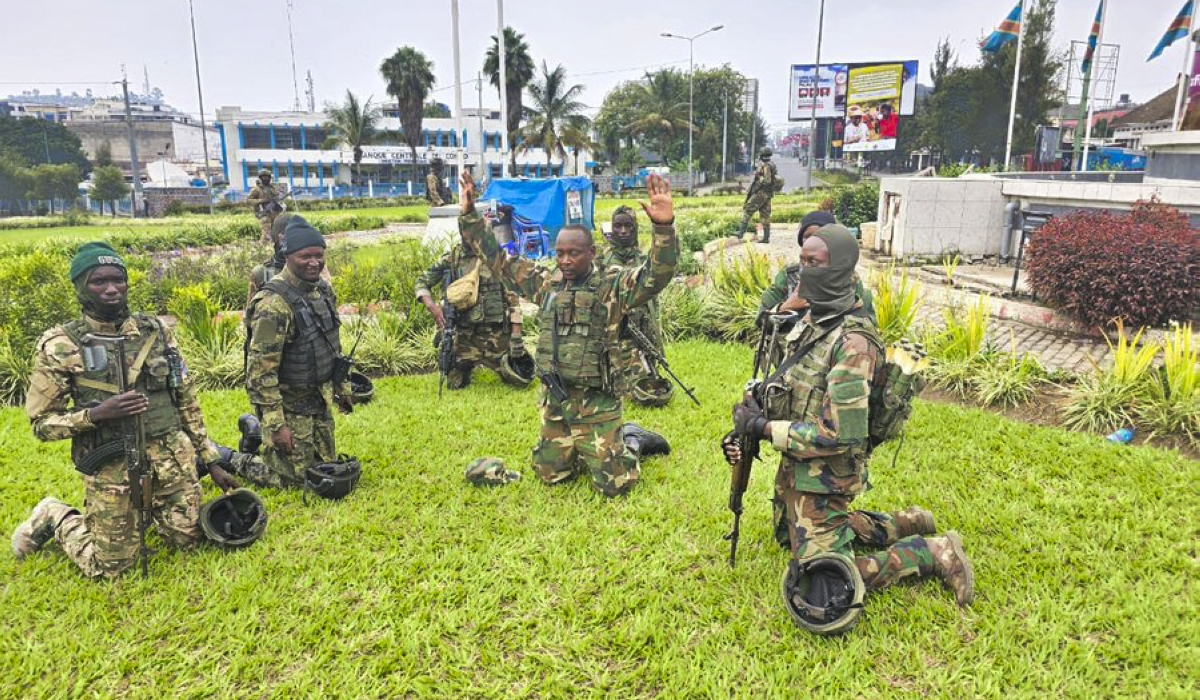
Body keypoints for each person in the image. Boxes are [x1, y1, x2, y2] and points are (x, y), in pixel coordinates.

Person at [723, 225, 974, 624]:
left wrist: (765, 430)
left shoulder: (853, 342)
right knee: (786, 537)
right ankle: (901, 522)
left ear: (840, 269)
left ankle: (932, 551)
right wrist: (751, 419)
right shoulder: (814, 319)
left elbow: (841, 435)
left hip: (828, 472)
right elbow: (794, 388)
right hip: (797, 463)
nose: (804, 271)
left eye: (814, 263)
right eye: (802, 260)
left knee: (819, 577)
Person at [12, 242, 240, 578]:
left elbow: (186, 400)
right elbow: (42, 425)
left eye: (118, 279)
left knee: (189, 541)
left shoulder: (156, 332)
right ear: (80, 287)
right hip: (112, 464)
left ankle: (145, 512)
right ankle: (54, 515)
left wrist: (211, 459)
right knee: (111, 569)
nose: (111, 289)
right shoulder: (61, 345)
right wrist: (96, 414)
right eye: (98, 281)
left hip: (170, 458)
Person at [456, 170, 677, 497]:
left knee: (616, 486)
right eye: (560, 253)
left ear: (591, 253)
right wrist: (470, 215)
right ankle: (577, 448)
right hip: (558, 399)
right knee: (550, 476)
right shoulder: (546, 285)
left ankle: (631, 440)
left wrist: (664, 227)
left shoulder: (611, 287)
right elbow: (500, 262)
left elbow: (657, 274)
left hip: (597, 402)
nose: (566, 260)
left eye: (574, 253)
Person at [244, 220, 354, 489]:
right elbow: (260, 374)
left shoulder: (323, 291)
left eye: (319, 255)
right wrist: (276, 425)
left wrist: (343, 387)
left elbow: (331, 344)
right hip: (289, 403)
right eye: (305, 256)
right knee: (295, 480)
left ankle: (260, 435)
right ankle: (233, 457)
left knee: (325, 466)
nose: (314, 262)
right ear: (287, 256)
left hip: (317, 399)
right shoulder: (273, 305)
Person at [415, 220, 532, 390]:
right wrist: (432, 307)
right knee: (455, 383)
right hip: (465, 337)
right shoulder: (452, 260)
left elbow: (513, 300)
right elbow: (422, 282)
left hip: (496, 337)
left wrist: (516, 336)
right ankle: (464, 364)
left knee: (519, 379)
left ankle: (500, 360)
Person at [599, 205, 673, 407]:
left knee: (647, 390)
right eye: (618, 226)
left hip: (639, 336)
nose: (623, 231)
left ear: (635, 228)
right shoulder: (601, 260)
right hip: (611, 337)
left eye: (628, 226)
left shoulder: (644, 260)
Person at [759, 213, 875, 320]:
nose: (812, 242)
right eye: (807, 236)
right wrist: (786, 307)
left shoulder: (849, 280)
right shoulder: (789, 276)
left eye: (820, 236)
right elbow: (761, 320)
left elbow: (865, 326)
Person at [246, 213, 330, 308]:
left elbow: (327, 296)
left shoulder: (313, 267)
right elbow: (251, 309)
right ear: (277, 237)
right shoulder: (264, 272)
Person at [738, 147, 781, 243]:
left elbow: (766, 181)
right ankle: (766, 237)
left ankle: (740, 232)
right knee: (765, 214)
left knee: (748, 209)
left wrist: (759, 177)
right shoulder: (772, 164)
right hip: (768, 194)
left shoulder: (766, 166)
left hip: (761, 193)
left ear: (762, 155)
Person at [246, 169, 285, 244]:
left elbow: (277, 196)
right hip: (264, 213)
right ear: (260, 178)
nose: (266, 179)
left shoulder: (272, 188)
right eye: (263, 177)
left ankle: (275, 246)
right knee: (266, 234)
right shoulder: (256, 189)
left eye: (267, 177)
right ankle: (264, 248)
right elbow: (248, 200)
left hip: (274, 213)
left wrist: (278, 199)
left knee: (277, 232)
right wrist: (261, 200)